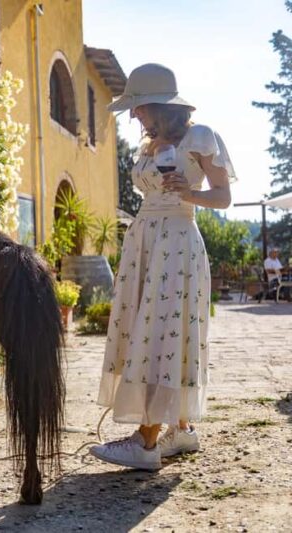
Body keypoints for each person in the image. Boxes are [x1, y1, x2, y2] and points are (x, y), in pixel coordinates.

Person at [90, 63, 235, 470]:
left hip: (177, 240)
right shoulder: (148, 147)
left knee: (159, 331)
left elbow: (223, 198)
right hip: (145, 240)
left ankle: (146, 442)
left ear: (156, 105)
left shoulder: (200, 137)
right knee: (153, 326)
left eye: (137, 106)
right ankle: (182, 430)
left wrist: (190, 193)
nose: (133, 115)